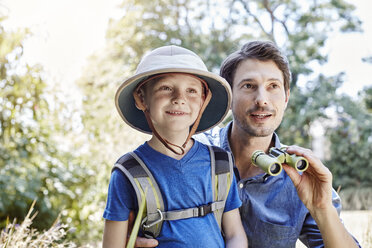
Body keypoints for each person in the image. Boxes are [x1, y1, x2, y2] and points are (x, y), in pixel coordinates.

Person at [132, 41, 360, 248]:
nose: (262, 99)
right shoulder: (185, 153)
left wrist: (322, 209)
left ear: (286, 97)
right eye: (249, 86)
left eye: (273, 86)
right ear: (229, 96)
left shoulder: (300, 176)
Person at [102, 45, 248, 248]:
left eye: (191, 91)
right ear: (141, 98)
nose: (179, 98)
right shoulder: (128, 172)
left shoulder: (220, 164)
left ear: (203, 100)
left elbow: (235, 234)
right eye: (166, 88)